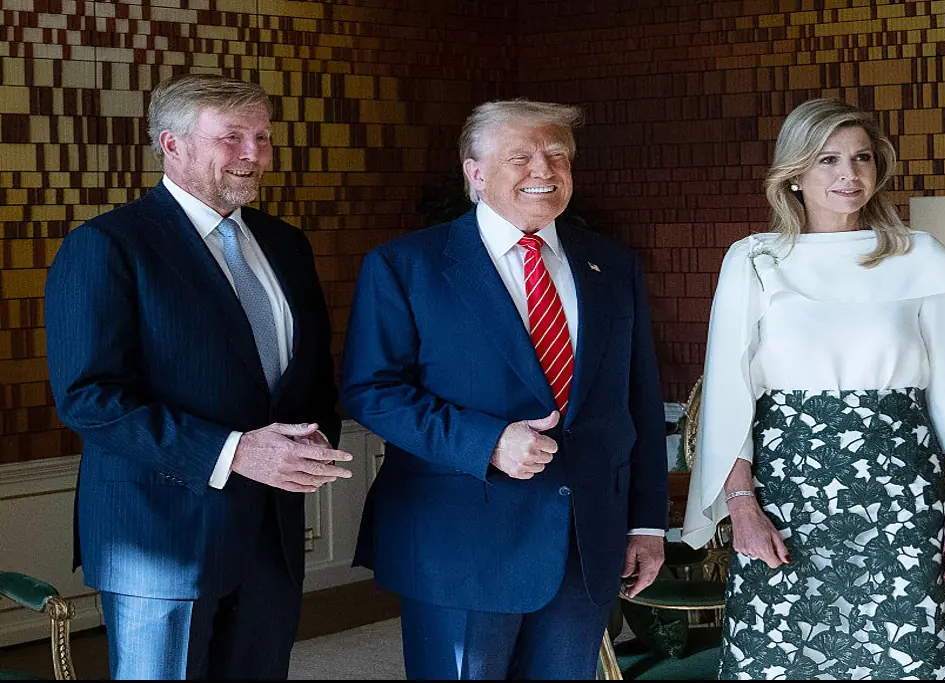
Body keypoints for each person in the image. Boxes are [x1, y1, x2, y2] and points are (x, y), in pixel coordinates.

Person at [340, 99, 668, 679]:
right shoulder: (406, 265)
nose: (544, 171)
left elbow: (635, 400)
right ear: (475, 172)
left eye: (557, 156)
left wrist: (645, 523)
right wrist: (486, 442)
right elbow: (373, 391)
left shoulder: (612, 265)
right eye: (521, 157)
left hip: (585, 543)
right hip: (462, 541)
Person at [44, 74, 352, 680]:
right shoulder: (107, 245)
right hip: (161, 540)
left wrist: (314, 445)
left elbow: (309, 374)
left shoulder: (286, 244)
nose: (253, 155)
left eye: (262, 137)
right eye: (232, 137)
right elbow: (89, 399)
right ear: (173, 144)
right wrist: (234, 452)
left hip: (271, 538)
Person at [682, 97, 945, 679]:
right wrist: (742, 506)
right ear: (794, 174)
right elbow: (729, 395)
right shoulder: (754, 260)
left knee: (909, 653)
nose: (849, 175)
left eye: (862, 159)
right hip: (787, 489)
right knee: (780, 652)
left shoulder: (918, 257)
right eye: (827, 159)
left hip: (902, 487)